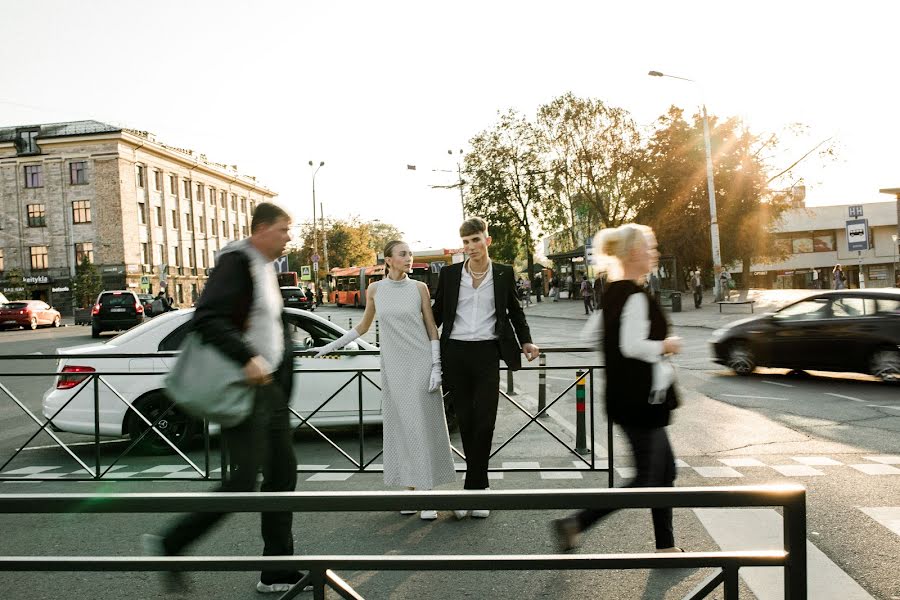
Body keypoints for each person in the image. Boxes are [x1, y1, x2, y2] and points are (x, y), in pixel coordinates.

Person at [143, 202, 306, 594]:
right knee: (243, 481)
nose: (289, 237)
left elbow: (273, 327)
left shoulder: (267, 268)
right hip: (244, 388)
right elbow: (208, 317)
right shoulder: (237, 261)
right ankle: (171, 543)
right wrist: (246, 357)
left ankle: (277, 569)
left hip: (268, 391)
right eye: (284, 230)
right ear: (261, 229)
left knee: (283, 474)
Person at [553, 223, 683, 554]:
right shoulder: (635, 297)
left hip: (630, 399)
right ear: (635, 253)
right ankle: (576, 523)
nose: (653, 253)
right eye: (650, 247)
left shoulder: (614, 292)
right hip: (640, 402)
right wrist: (665, 345)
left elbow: (590, 334)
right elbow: (632, 346)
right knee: (646, 478)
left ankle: (666, 548)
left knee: (664, 472)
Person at [314, 240, 455, 520]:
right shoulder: (375, 289)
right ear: (388, 260)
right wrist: (330, 346)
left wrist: (436, 365)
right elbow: (363, 327)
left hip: (420, 362)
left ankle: (428, 493)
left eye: (410, 254)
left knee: (421, 425)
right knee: (402, 427)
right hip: (393, 366)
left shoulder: (419, 288)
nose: (409, 258)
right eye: (403, 254)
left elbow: (431, 326)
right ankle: (410, 490)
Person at [432, 217, 540, 519]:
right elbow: (438, 314)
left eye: (476, 240)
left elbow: (515, 311)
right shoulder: (452, 275)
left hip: (487, 353)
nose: (471, 248)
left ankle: (473, 489)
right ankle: (479, 488)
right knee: (465, 421)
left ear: (487, 241)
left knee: (485, 421)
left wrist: (527, 341)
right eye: (466, 243)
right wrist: (416, 340)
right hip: (455, 352)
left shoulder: (503, 273)